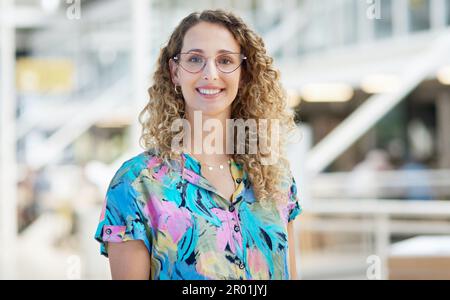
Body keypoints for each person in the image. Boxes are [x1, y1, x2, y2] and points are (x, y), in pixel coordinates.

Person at [94, 9, 302, 280]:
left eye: (225, 60)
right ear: (174, 72)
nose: (211, 73)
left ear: (245, 72)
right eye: (195, 59)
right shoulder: (135, 184)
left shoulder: (277, 178)